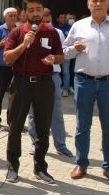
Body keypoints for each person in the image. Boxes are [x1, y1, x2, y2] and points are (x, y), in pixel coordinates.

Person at [63, 0, 109, 183]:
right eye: (94, 1)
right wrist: (75, 49)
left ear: (108, 3)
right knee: (83, 125)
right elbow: (65, 52)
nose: (98, 4)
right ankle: (81, 163)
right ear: (88, 4)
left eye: (102, 1)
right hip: (84, 81)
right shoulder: (79, 26)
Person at [2, 0, 62, 184]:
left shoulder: (52, 32)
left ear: (43, 10)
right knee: (16, 126)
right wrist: (24, 44)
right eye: (31, 10)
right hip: (21, 83)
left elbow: (60, 56)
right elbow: (7, 58)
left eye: (39, 9)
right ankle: (13, 167)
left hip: (44, 83)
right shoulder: (17, 32)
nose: (36, 13)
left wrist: (54, 59)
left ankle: (40, 167)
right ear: (25, 13)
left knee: (43, 127)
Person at [27, 8, 74, 159]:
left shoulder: (57, 33)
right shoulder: (29, 32)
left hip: (52, 76)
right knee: (34, 113)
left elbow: (62, 54)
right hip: (33, 77)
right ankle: (35, 143)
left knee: (56, 112)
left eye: (47, 19)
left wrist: (53, 58)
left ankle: (60, 145)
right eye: (42, 19)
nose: (45, 22)